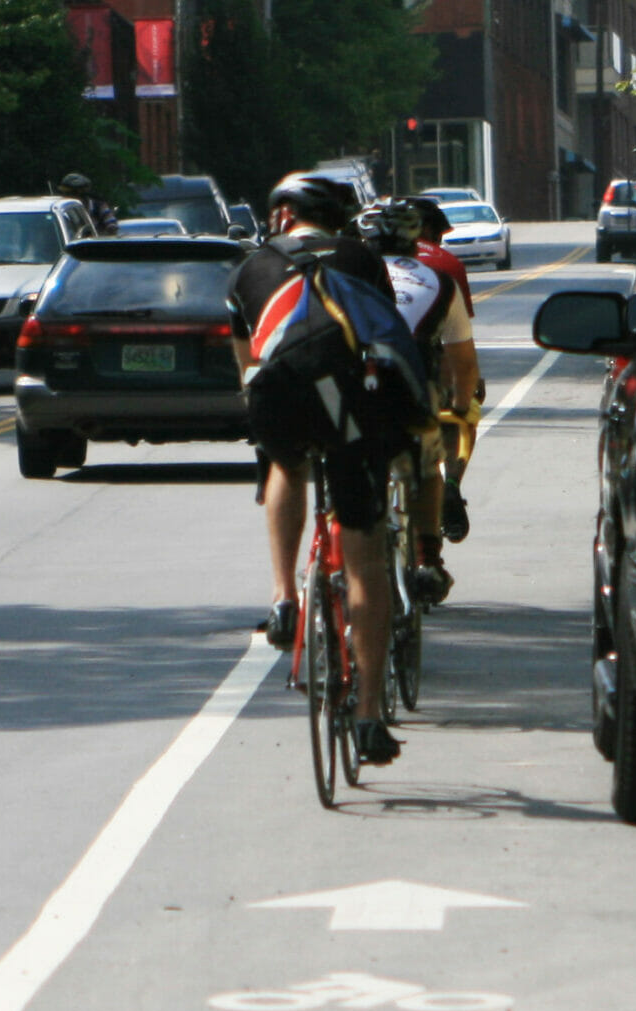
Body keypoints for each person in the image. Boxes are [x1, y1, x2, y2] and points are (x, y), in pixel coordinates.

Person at [227, 174, 401, 765]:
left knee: (285, 461)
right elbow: (385, 333)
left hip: (278, 395)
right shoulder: (361, 258)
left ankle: (282, 596)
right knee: (366, 562)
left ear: (281, 215)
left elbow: (247, 367)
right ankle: (370, 714)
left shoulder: (248, 269)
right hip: (346, 399)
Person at [355, 197, 479, 605]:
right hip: (411, 389)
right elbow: (463, 363)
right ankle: (428, 558)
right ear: (417, 240)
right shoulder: (438, 279)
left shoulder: (343, 277)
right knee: (426, 464)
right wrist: (460, 406)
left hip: (353, 389)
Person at [412, 198, 479, 542]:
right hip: (430, 363)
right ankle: (451, 482)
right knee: (458, 417)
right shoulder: (447, 264)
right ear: (425, 229)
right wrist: (465, 394)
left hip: (370, 368)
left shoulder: (364, 261)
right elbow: (458, 341)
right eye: (438, 233)